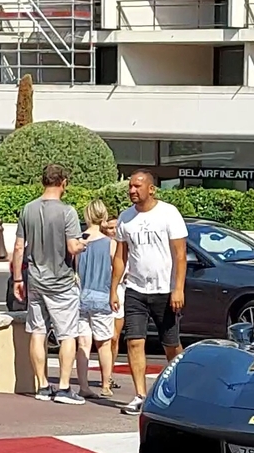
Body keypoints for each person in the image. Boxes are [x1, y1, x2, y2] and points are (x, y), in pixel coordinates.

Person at [110, 168, 189, 417]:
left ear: (151, 189)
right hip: (135, 289)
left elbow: (180, 255)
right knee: (134, 341)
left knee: (171, 345)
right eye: (130, 186)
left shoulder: (168, 214)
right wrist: (113, 289)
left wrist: (178, 289)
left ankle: (181, 390)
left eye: (137, 186)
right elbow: (121, 256)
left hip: (164, 290)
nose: (132, 190)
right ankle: (141, 396)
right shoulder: (125, 218)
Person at [9, 165, 87, 403]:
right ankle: (64, 387)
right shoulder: (68, 212)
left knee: (38, 331)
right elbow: (73, 247)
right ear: (63, 182)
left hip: (35, 279)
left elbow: (19, 247)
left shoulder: (28, 210)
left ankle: (42, 385)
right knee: (67, 334)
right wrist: (84, 244)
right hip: (61, 281)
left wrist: (17, 278)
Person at [74, 200, 120, 398]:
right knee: (104, 343)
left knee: (83, 344)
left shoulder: (79, 241)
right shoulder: (110, 243)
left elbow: (74, 269)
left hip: (81, 296)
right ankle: (105, 384)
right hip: (102, 296)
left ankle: (83, 386)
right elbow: (118, 269)